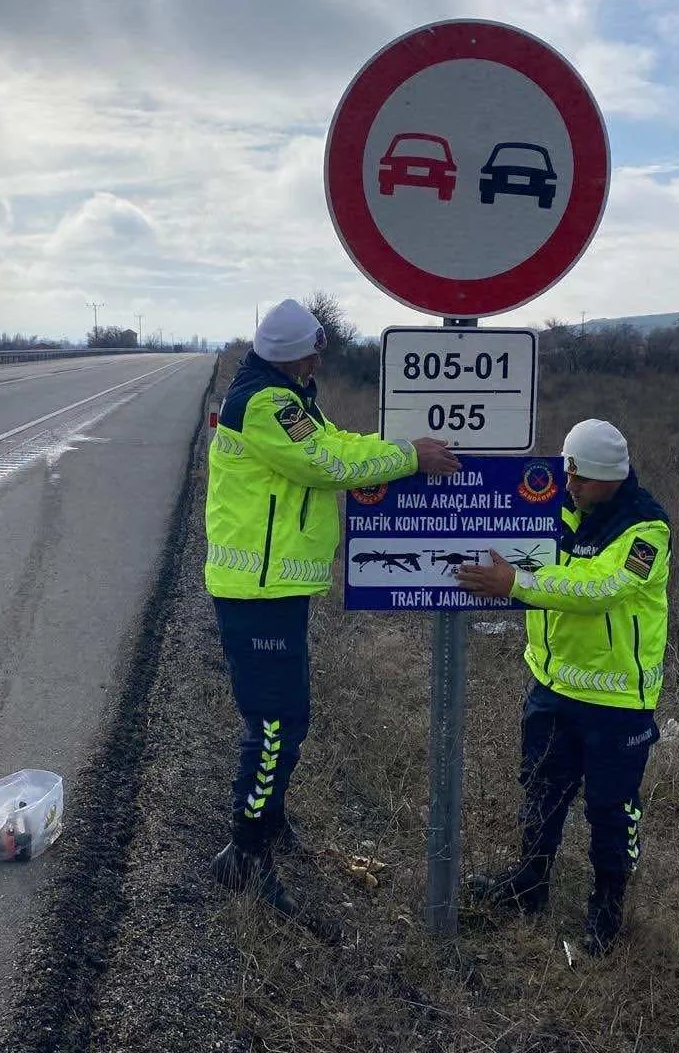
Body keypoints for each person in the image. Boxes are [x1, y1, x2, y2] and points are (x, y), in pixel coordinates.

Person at [205, 298, 460, 923]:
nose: (320, 356)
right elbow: (327, 464)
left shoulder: (286, 396)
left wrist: (394, 444)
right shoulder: (264, 404)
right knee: (276, 725)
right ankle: (244, 849)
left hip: (274, 590)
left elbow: (333, 441)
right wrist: (408, 458)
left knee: (286, 718)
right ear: (298, 352)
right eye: (315, 348)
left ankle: (270, 819)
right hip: (255, 593)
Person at [455, 418, 670, 956]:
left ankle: (607, 908)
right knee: (542, 789)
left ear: (612, 478)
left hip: (616, 701)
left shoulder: (647, 531)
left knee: (610, 807)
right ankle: (529, 885)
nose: (570, 487)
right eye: (568, 475)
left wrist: (517, 585)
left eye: (582, 480)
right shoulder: (561, 506)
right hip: (553, 687)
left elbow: (598, 588)